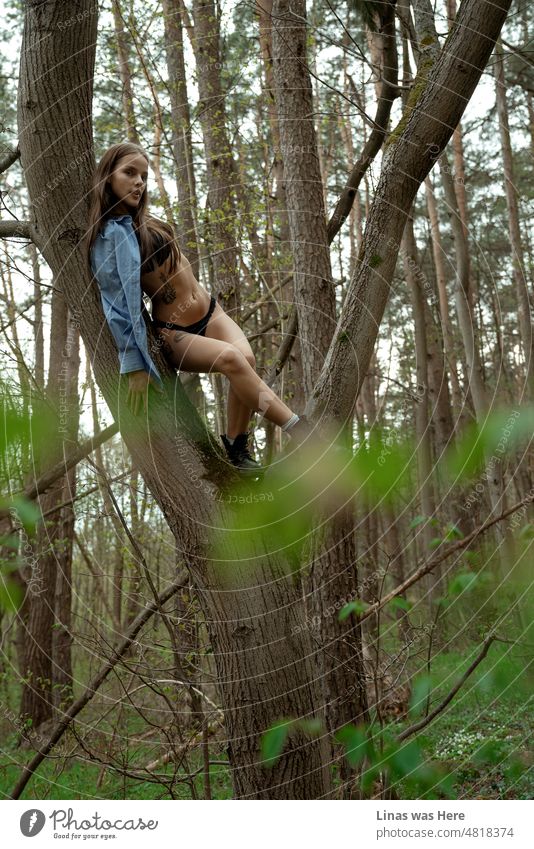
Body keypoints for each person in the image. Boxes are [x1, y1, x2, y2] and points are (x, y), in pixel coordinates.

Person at [86, 142, 311, 475]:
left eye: (144, 176)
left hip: (212, 312)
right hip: (175, 332)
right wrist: (133, 363)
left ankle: (236, 446)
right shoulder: (110, 236)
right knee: (233, 360)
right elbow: (119, 303)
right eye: (129, 173)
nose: (139, 183)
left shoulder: (145, 222)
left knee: (246, 360)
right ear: (107, 177)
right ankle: (299, 429)